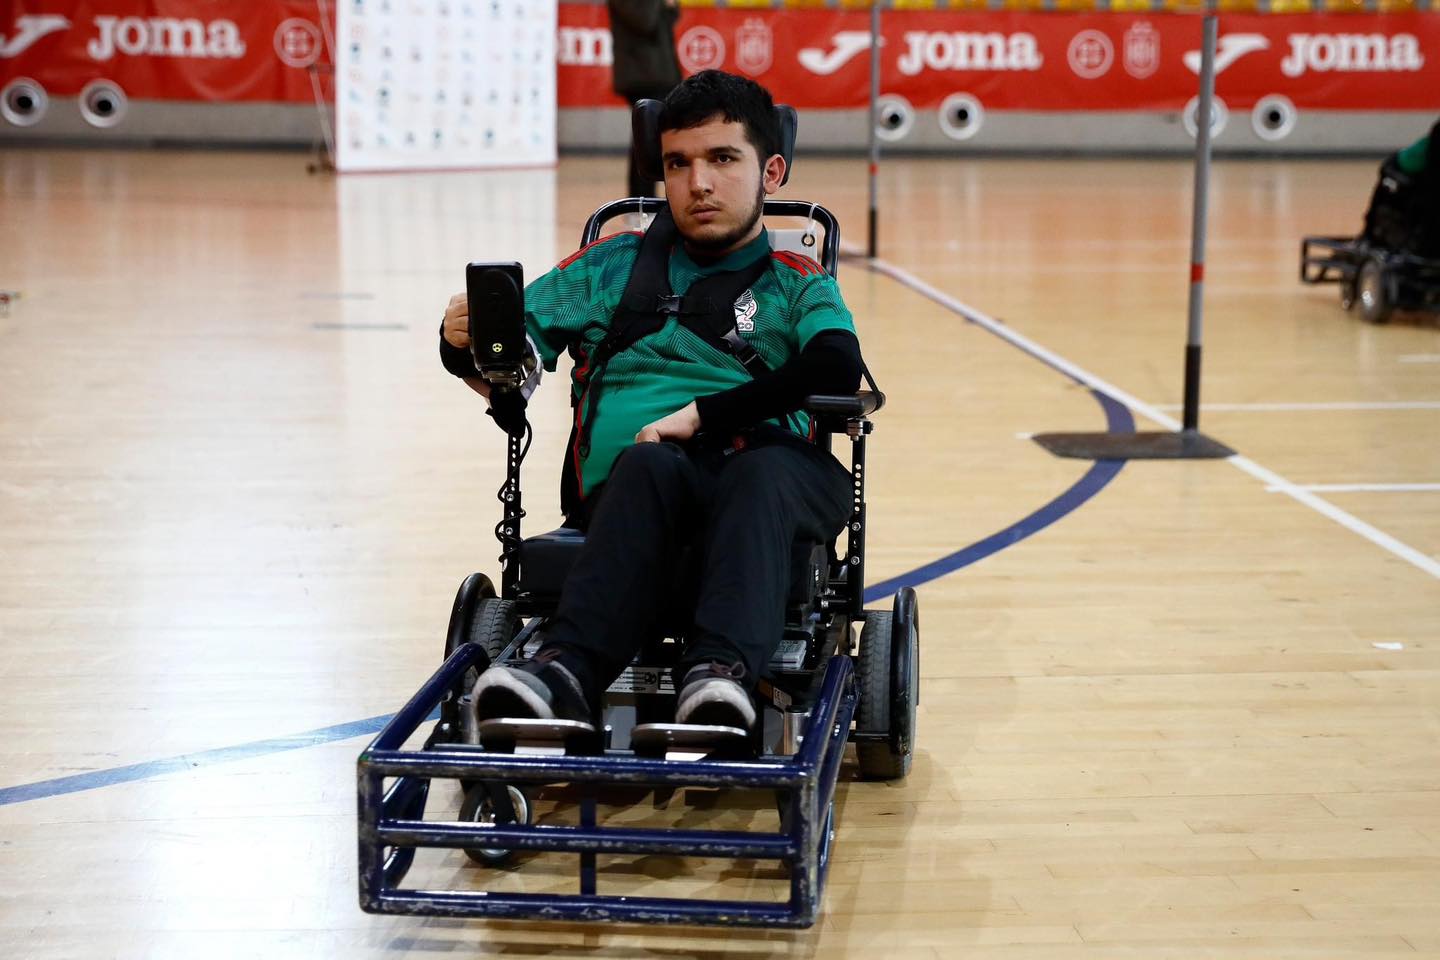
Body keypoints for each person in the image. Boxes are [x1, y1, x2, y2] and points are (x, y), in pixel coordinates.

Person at [437, 71, 864, 733]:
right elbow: (515, 352)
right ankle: (564, 674)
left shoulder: (794, 282)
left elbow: (834, 362)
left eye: (723, 159)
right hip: (634, 498)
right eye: (678, 163)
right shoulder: (608, 266)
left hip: (767, 488)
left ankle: (721, 676)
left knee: (758, 469)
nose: (698, 183)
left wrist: (705, 416)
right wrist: (467, 344)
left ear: (770, 171)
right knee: (647, 465)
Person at [607, 0, 682, 199]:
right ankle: (640, 198)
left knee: (653, 135)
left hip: (661, 73)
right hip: (640, 74)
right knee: (646, 136)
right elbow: (644, 21)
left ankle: (647, 196)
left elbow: (670, 18)